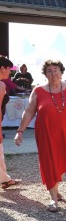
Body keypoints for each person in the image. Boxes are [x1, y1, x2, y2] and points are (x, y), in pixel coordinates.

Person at [14, 59, 66, 212]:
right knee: (50, 162)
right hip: (46, 133)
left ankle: (56, 190)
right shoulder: (38, 91)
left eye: (56, 70)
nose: (53, 73)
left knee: (62, 160)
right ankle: (53, 198)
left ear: (61, 72)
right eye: (49, 70)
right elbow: (29, 111)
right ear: (45, 74)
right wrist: (20, 131)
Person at [0, 57, 21, 189]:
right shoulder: (1, 85)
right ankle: (5, 179)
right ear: (2, 69)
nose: (10, 72)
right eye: (9, 69)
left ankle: (5, 179)